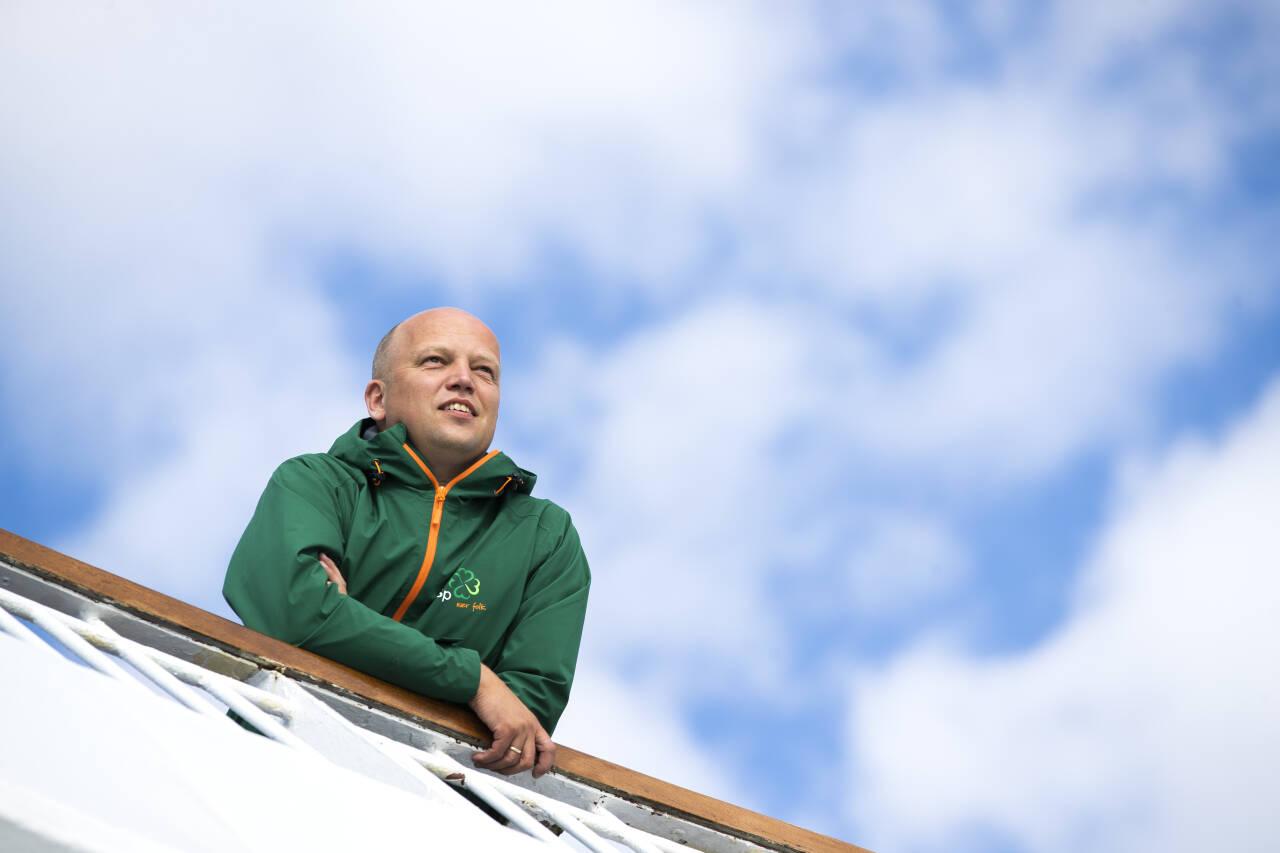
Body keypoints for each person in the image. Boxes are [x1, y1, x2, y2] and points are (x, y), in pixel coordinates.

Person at [223, 308, 589, 778]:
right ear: (378, 398)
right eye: (435, 361)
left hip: (431, 803)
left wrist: (348, 622)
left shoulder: (546, 537)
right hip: (267, 763)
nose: (464, 379)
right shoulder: (315, 483)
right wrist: (475, 680)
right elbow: (296, 613)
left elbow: (522, 717)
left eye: (484, 371)